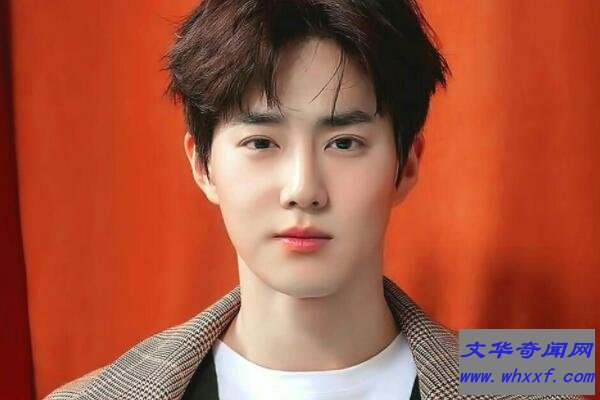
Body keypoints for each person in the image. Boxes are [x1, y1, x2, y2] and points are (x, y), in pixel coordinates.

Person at [46, 1, 583, 399]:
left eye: (344, 143)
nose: (303, 188)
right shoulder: (93, 396)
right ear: (202, 164)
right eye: (262, 143)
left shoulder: (534, 381)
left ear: (407, 164)